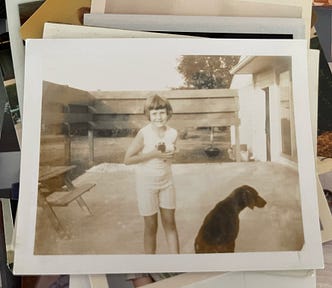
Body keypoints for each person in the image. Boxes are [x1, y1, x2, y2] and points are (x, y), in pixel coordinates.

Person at [124, 94, 180, 255]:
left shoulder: (173, 133)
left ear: (168, 113)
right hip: (146, 184)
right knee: (151, 226)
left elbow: (169, 153)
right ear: (148, 115)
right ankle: (150, 265)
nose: (158, 117)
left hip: (166, 182)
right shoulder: (144, 133)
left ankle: (176, 263)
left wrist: (172, 152)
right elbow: (127, 159)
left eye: (162, 112)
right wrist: (154, 154)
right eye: (154, 113)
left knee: (170, 223)